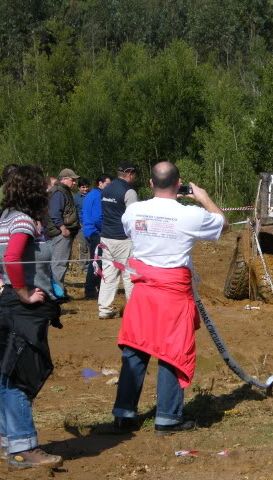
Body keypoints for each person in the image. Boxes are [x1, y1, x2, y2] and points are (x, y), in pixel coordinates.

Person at [112, 161, 227, 434]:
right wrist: (204, 198)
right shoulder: (190, 214)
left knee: (136, 348)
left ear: (150, 183)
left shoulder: (134, 211)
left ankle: (124, 413)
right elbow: (222, 225)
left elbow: (130, 231)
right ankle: (167, 418)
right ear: (179, 184)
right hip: (173, 292)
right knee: (173, 351)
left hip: (143, 290)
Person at [0, 165, 63, 469]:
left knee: (8, 377)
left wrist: (1, 285)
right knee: (23, 376)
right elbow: (12, 258)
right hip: (24, 308)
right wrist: (22, 291)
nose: (49, 190)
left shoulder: (4, 219)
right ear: (33, 190)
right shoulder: (23, 221)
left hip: (9, 303)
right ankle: (25, 447)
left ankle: (12, 444)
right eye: (44, 186)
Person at [98, 163, 138, 319]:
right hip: (123, 238)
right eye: (134, 174)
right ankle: (133, 309)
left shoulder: (106, 189)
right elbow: (133, 217)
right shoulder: (129, 191)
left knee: (108, 274)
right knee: (129, 274)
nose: (135, 178)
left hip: (106, 237)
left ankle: (104, 309)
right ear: (129, 174)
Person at [46, 169, 80, 302]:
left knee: (60, 262)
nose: (74, 182)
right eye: (72, 179)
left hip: (63, 232)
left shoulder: (62, 191)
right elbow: (55, 213)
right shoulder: (59, 192)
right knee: (59, 263)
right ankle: (57, 294)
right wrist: (62, 228)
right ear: (64, 179)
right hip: (61, 233)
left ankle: (58, 291)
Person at [82, 174, 112, 299]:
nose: (110, 187)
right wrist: (106, 229)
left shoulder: (90, 195)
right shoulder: (99, 196)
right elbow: (98, 218)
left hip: (89, 231)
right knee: (96, 262)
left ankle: (94, 288)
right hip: (95, 232)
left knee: (95, 260)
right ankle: (90, 290)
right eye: (108, 184)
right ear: (100, 183)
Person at [73, 177, 90, 268]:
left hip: (91, 224)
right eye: (83, 187)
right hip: (81, 225)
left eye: (87, 187)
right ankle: (83, 265)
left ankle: (92, 263)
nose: (85, 189)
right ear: (79, 188)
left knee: (92, 245)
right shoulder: (75, 198)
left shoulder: (92, 196)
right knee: (82, 245)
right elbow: (73, 212)